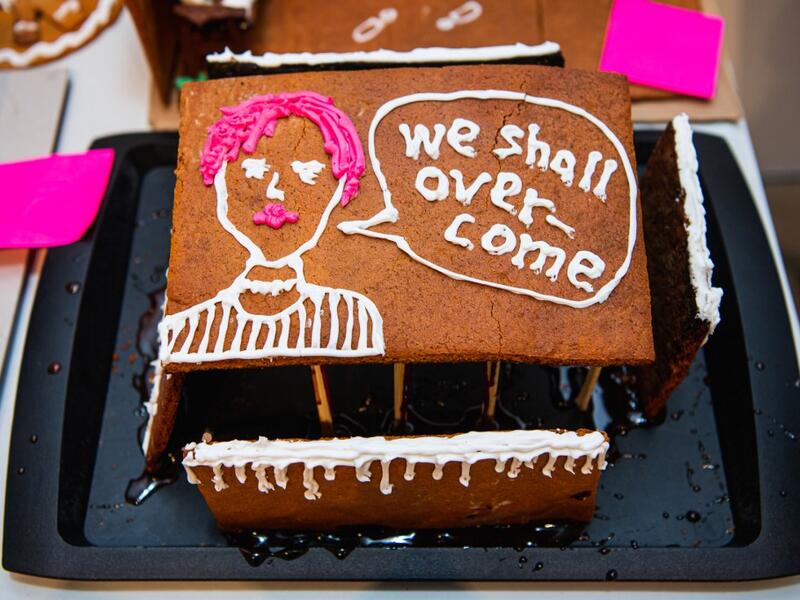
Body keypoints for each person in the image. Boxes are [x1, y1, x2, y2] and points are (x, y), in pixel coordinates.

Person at [158, 91, 384, 365]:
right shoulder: (187, 330)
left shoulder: (352, 317)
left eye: (307, 174)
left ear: (338, 192)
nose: (275, 192)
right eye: (254, 170)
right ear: (219, 179)